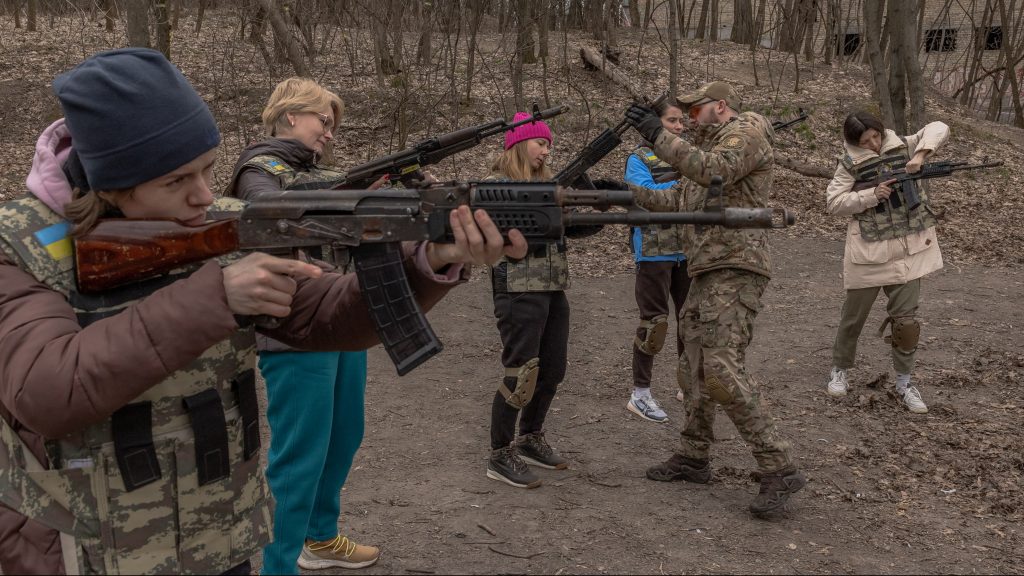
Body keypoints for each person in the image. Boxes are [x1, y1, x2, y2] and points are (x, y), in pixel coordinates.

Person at [0, 48, 527, 575]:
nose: (205, 196)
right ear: (111, 186)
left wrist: (432, 259)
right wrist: (218, 297)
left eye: (207, 169)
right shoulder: (18, 247)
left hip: (216, 539)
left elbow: (323, 314)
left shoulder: (218, 224)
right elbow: (48, 390)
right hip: (85, 551)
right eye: (176, 181)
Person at [625, 81, 806, 516]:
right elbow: (675, 199)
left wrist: (658, 135)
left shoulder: (746, 132)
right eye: (682, 111)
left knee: (722, 367)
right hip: (704, 269)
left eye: (695, 108)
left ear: (720, 106)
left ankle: (777, 465)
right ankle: (694, 454)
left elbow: (712, 170)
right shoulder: (708, 150)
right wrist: (617, 191)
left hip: (736, 266)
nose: (688, 116)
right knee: (693, 367)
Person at [223, 78, 377, 573]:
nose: (330, 133)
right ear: (291, 116)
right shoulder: (259, 168)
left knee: (344, 434)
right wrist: (348, 190)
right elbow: (267, 210)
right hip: (293, 327)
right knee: (300, 457)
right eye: (323, 122)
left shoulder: (319, 173)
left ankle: (320, 537)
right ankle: (277, 566)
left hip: (340, 316)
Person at [823, 111, 948, 414]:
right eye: (865, 142)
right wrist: (870, 195)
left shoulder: (903, 144)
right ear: (854, 142)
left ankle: (905, 382)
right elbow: (833, 203)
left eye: (876, 136)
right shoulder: (849, 164)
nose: (874, 144)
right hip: (868, 254)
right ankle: (840, 370)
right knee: (853, 320)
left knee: (906, 324)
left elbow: (939, 127)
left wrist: (919, 155)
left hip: (909, 252)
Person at [484, 113, 570, 489]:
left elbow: (564, 232)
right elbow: (510, 236)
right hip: (518, 287)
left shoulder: (548, 184)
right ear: (519, 143)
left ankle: (530, 436)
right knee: (522, 371)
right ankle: (500, 452)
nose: (546, 150)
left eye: (549, 144)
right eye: (540, 142)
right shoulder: (494, 187)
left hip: (553, 286)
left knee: (553, 368)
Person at [622, 97, 691, 423]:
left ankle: (688, 384)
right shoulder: (638, 158)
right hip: (653, 251)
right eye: (672, 121)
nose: (679, 127)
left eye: (681, 122)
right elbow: (645, 195)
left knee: (690, 321)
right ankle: (641, 394)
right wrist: (685, 186)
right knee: (655, 323)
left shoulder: (687, 155)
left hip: (687, 250)